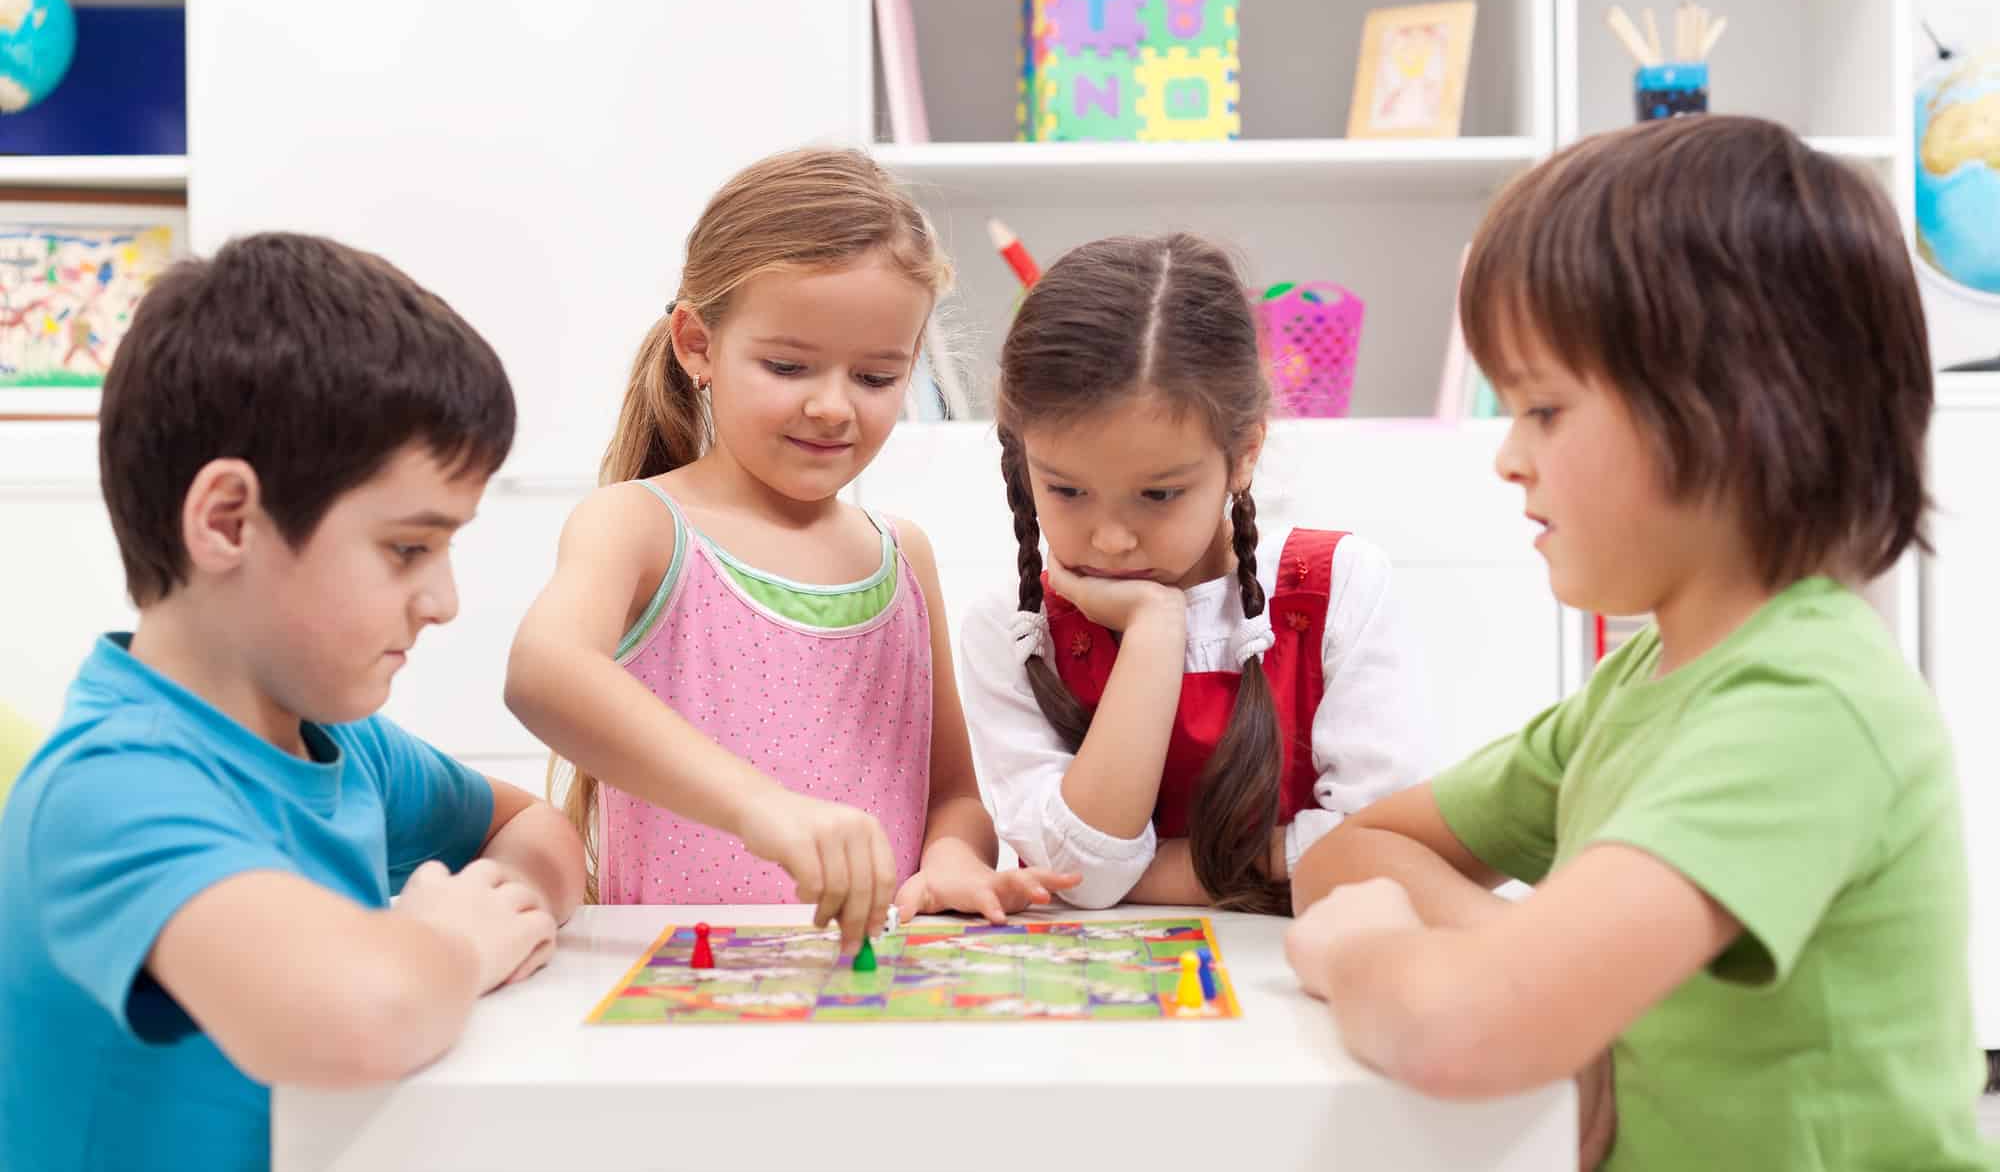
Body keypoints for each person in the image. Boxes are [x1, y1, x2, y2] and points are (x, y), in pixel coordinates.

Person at [1285, 115, 1995, 1170]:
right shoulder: (1641, 681)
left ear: (1730, 409)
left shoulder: (1805, 703)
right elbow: (1341, 849)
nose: (1507, 459)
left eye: (1541, 409)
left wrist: (1375, 952)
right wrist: (1543, 980)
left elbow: (1455, 1028)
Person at [0, 233, 587, 1172]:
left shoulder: (346, 745)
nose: (443, 601)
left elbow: (543, 834)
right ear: (228, 520)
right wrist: (451, 951)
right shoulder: (107, 788)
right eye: (407, 549)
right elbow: (356, 1016)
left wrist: (494, 909)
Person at [506, 148, 1076, 950]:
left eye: (877, 378)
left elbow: (952, 795)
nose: (833, 406)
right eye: (787, 365)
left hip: (870, 992)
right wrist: (761, 807)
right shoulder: (638, 526)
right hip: (677, 996)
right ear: (698, 345)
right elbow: (542, 673)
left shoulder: (902, 557)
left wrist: (952, 856)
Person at [958, 232, 1435, 914]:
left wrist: (1151, 876)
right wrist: (1155, 629)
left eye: (1158, 495)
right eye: (1065, 490)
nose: (1112, 538)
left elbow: (1379, 844)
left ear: (1244, 454)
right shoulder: (1013, 628)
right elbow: (1084, 876)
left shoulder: (1338, 587)